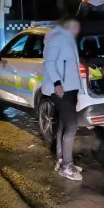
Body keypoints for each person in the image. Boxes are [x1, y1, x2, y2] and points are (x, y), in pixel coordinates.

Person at [42, 16, 84, 181]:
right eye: (74, 26)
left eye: (77, 27)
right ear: (66, 26)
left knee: (63, 124)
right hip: (62, 89)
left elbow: (70, 64)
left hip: (70, 88)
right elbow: (50, 63)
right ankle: (67, 166)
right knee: (72, 126)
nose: (77, 30)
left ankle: (62, 160)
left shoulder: (68, 40)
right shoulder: (57, 39)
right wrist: (57, 84)